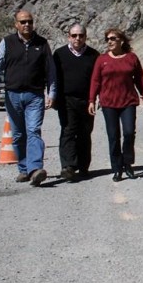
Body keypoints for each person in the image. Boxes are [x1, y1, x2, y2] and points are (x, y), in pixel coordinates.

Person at [0, 10, 56, 186]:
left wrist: (52, 92)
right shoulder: (7, 42)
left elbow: (51, 72)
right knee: (18, 134)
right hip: (13, 95)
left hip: (35, 95)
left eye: (30, 22)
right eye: (23, 22)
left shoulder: (42, 43)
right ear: (16, 24)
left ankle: (35, 169)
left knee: (33, 130)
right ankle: (24, 169)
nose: (27, 25)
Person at [88, 28, 143, 182]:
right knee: (113, 136)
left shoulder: (131, 58)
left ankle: (127, 164)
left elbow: (140, 78)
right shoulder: (102, 60)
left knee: (129, 133)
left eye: (113, 38)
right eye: (107, 39)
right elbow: (95, 81)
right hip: (108, 103)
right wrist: (91, 100)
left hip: (128, 101)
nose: (110, 41)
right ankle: (117, 168)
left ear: (121, 41)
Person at [53, 23, 99, 181]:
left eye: (81, 35)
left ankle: (84, 166)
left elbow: (98, 80)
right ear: (68, 36)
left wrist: (95, 98)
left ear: (86, 37)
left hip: (87, 101)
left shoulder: (94, 55)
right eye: (74, 35)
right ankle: (68, 166)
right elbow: (54, 78)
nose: (77, 38)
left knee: (85, 133)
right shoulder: (59, 54)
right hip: (66, 100)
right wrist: (53, 98)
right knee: (68, 131)